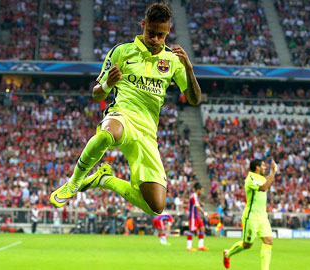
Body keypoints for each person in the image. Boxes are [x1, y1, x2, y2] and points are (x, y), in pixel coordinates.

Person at [49, 2, 201, 216]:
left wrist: (189, 69)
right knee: (107, 134)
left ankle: (105, 180)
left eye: (161, 35)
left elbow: (194, 99)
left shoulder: (173, 61)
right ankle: (74, 182)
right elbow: (97, 94)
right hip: (123, 116)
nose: (155, 39)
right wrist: (108, 84)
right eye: (151, 33)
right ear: (142, 25)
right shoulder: (122, 51)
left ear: (168, 31)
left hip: (147, 132)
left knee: (155, 207)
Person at [223, 159, 278, 269]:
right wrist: (273, 173)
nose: (265, 167)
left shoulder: (262, 178)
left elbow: (266, 183)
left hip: (263, 216)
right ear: (257, 167)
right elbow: (263, 188)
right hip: (251, 216)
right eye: (263, 165)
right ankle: (227, 253)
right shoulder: (250, 179)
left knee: (268, 241)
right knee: (247, 244)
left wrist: (272, 174)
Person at [187, 182, 208, 251]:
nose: (202, 192)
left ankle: (200, 246)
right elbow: (197, 207)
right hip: (193, 217)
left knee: (202, 229)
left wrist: (201, 203)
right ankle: (189, 247)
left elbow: (196, 204)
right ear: (198, 190)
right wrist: (204, 213)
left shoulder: (195, 196)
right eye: (201, 190)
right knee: (192, 231)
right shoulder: (194, 196)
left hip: (197, 216)